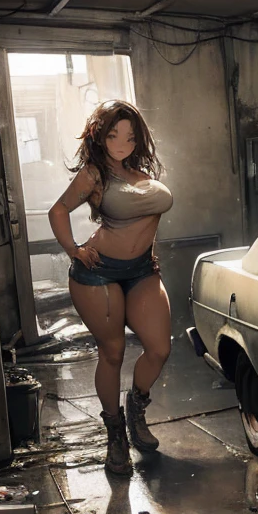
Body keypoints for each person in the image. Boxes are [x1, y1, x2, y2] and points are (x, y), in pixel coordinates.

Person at [48, 100, 173, 475]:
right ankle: (115, 434)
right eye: (115, 134)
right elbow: (58, 210)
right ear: (100, 136)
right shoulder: (94, 174)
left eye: (131, 136)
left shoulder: (140, 172)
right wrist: (74, 249)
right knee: (113, 352)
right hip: (98, 273)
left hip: (141, 271)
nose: (123, 143)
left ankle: (136, 409)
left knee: (159, 349)